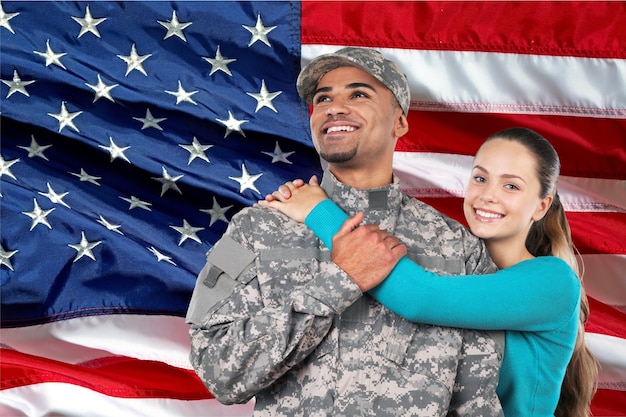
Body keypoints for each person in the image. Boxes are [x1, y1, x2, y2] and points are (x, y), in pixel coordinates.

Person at [186, 47, 505, 416]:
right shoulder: (259, 228)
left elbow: (476, 401)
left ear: (399, 122)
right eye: (323, 99)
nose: (334, 108)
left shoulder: (459, 247)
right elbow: (218, 372)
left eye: (358, 94)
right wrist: (340, 281)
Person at [260, 127, 599, 417]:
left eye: (511, 186)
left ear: (541, 204)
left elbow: (418, 297)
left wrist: (317, 211)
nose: (487, 196)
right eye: (480, 178)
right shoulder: (453, 264)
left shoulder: (552, 281)